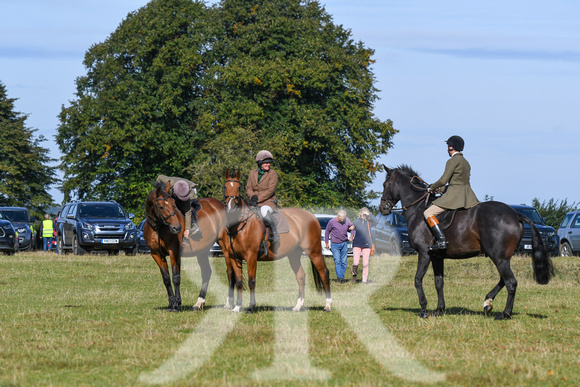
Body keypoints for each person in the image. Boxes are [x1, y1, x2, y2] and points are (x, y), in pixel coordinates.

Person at [423, 135, 479, 251]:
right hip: (467, 196)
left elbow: (443, 180)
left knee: (428, 213)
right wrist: (442, 189)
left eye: (448, 146)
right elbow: (458, 182)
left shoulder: (452, 161)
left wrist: (431, 187)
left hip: (454, 196)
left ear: (451, 147)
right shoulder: (466, 162)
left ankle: (441, 240)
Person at [246, 150, 280, 246]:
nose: (268, 164)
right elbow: (248, 188)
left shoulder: (272, 174)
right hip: (254, 202)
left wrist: (257, 199)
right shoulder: (252, 173)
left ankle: (275, 234)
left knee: (264, 212)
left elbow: (270, 190)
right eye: (266, 162)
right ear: (260, 163)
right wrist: (252, 197)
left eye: (269, 163)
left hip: (268, 202)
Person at [156, 175, 201, 239]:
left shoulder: (187, 193)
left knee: (185, 208)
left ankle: (195, 225)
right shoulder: (166, 180)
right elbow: (159, 177)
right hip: (178, 187)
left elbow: (188, 212)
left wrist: (187, 229)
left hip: (191, 189)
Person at [325, 210, 354, 283]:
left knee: (344, 262)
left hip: (344, 243)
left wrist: (352, 235)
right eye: (341, 218)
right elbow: (327, 232)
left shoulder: (347, 220)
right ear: (338, 216)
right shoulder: (332, 222)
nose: (342, 220)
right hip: (335, 244)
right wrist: (327, 243)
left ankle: (341, 276)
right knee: (337, 261)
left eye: (343, 218)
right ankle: (340, 278)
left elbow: (352, 227)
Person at [350, 207, 378, 283]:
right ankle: (354, 275)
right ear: (360, 213)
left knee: (365, 263)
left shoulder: (369, 222)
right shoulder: (356, 221)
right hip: (357, 244)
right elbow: (350, 228)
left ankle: (364, 280)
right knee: (356, 263)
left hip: (367, 244)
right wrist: (350, 230)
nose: (364, 215)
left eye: (365, 213)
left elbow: (376, 221)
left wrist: (369, 214)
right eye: (363, 213)